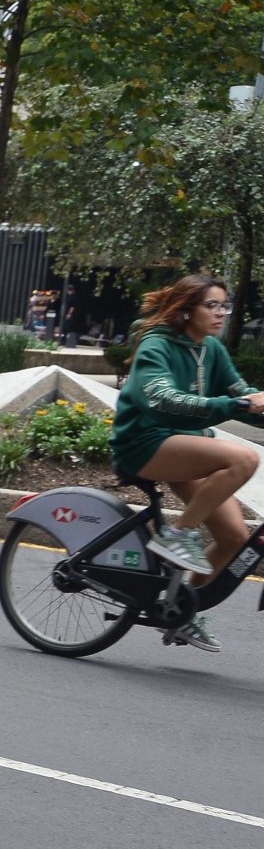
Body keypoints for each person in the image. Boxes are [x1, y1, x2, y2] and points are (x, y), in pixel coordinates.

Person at [110, 273, 264, 654]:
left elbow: (240, 394)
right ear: (185, 310)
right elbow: (162, 399)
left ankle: (178, 609)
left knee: (233, 538)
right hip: (144, 444)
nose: (221, 313)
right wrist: (234, 406)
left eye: (223, 306)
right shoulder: (155, 345)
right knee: (245, 457)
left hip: (186, 447)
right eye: (211, 305)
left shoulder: (212, 349)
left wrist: (253, 402)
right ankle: (178, 537)